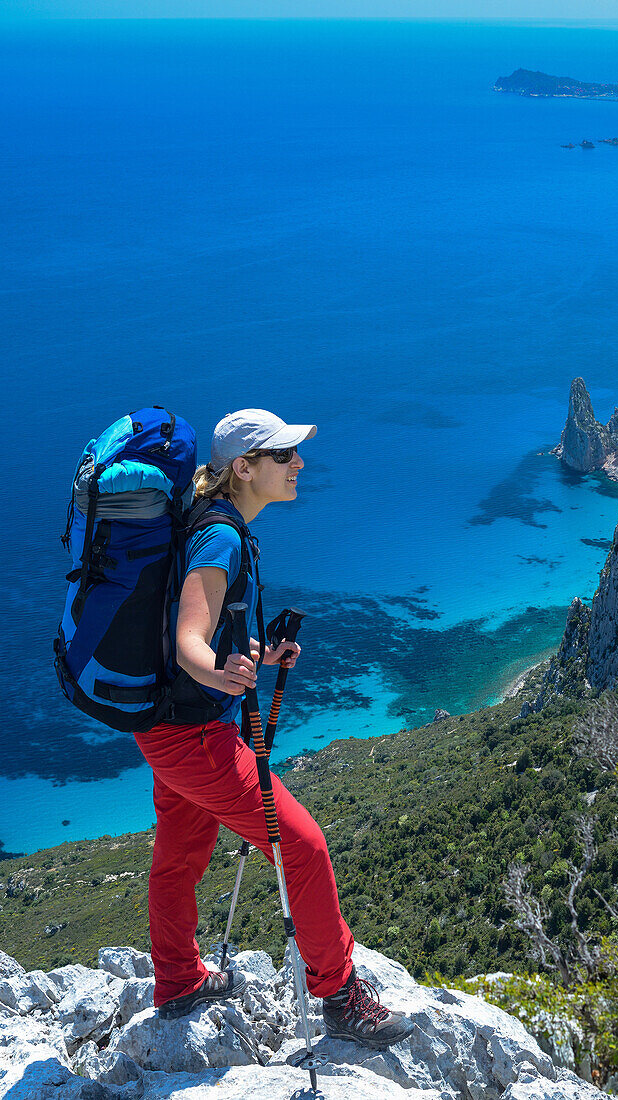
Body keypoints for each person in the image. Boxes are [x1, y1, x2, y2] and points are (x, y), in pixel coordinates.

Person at [133, 409, 414, 1050]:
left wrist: (254, 655)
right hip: (196, 737)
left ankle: (177, 982)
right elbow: (187, 643)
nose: (298, 465)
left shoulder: (212, 524)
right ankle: (340, 997)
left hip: (164, 729)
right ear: (244, 468)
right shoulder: (221, 538)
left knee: (177, 860)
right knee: (305, 848)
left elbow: (199, 630)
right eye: (284, 455)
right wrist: (224, 674)